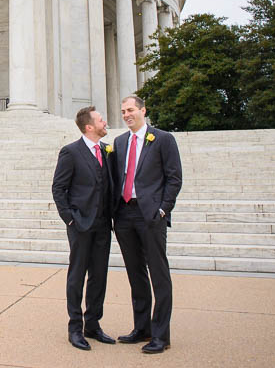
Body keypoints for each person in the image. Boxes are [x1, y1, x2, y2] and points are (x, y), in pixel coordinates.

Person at [111, 95, 182, 354]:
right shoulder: (119, 143)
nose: (126, 114)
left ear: (143, 110)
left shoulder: (163, 139)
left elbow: (174, 178)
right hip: (124, 214)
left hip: (151, 214)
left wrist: (163, 209)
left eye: (130, 110)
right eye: (123, 111)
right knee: (135, 273)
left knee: (159, 274)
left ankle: (161, 335)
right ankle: (142, 328)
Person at [52, 106, 118, 351]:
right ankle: (75, 327)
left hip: (103, 224)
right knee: (77, 276)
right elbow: (59, 188)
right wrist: (70, 219)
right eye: (101, 119)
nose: (105, 122)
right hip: (80, 224)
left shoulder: (106, 151)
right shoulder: (71, 152)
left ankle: (93, 324)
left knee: (99, 275)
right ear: (89, 126)